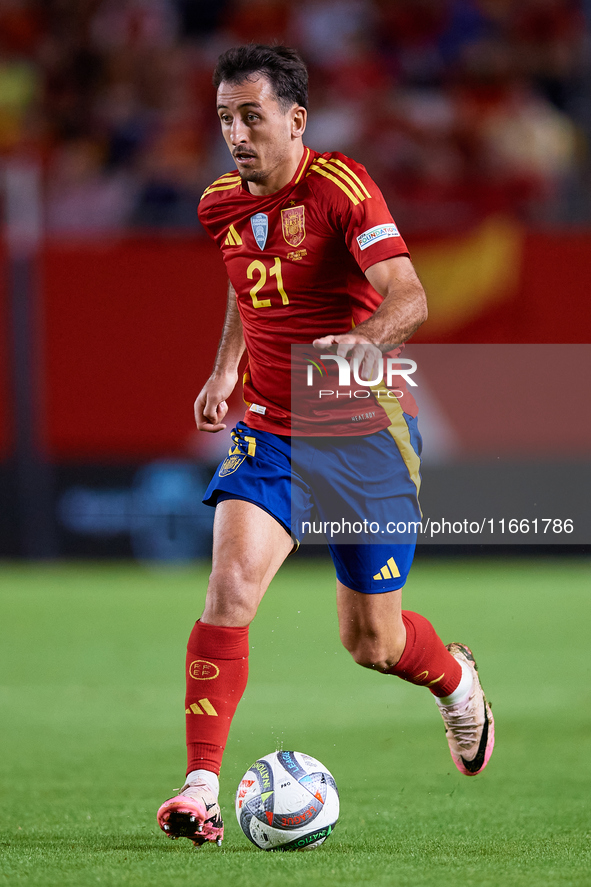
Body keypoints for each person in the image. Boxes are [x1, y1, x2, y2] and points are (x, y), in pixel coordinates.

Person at [156, 44, 494, 847]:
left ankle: (457, 681)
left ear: (295, 119)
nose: (236, 133)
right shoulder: (218, 205)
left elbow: (409, 295)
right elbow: (246, 283)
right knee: (229, 587)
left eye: (251, 116)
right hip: (272, 427)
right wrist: (225, 370)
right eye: (224, 118)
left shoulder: (342, 187)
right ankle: (200, 785)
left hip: (364, 437)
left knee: (370, 643)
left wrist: (364, 339)